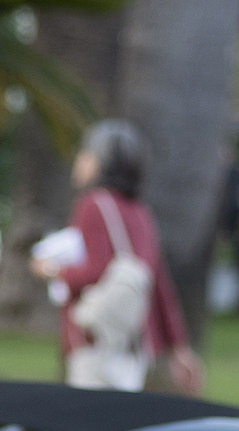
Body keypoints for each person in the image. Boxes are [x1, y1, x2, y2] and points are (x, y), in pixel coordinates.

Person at [31, 120, 203, 394]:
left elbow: (95, 272)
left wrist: (50, 269)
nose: (79, 161)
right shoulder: (141, 213)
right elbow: (158, 283)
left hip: (96, 337)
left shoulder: (92, 204)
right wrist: (178, 347)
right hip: (133, 341)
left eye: (85, 154)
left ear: (100, 162)